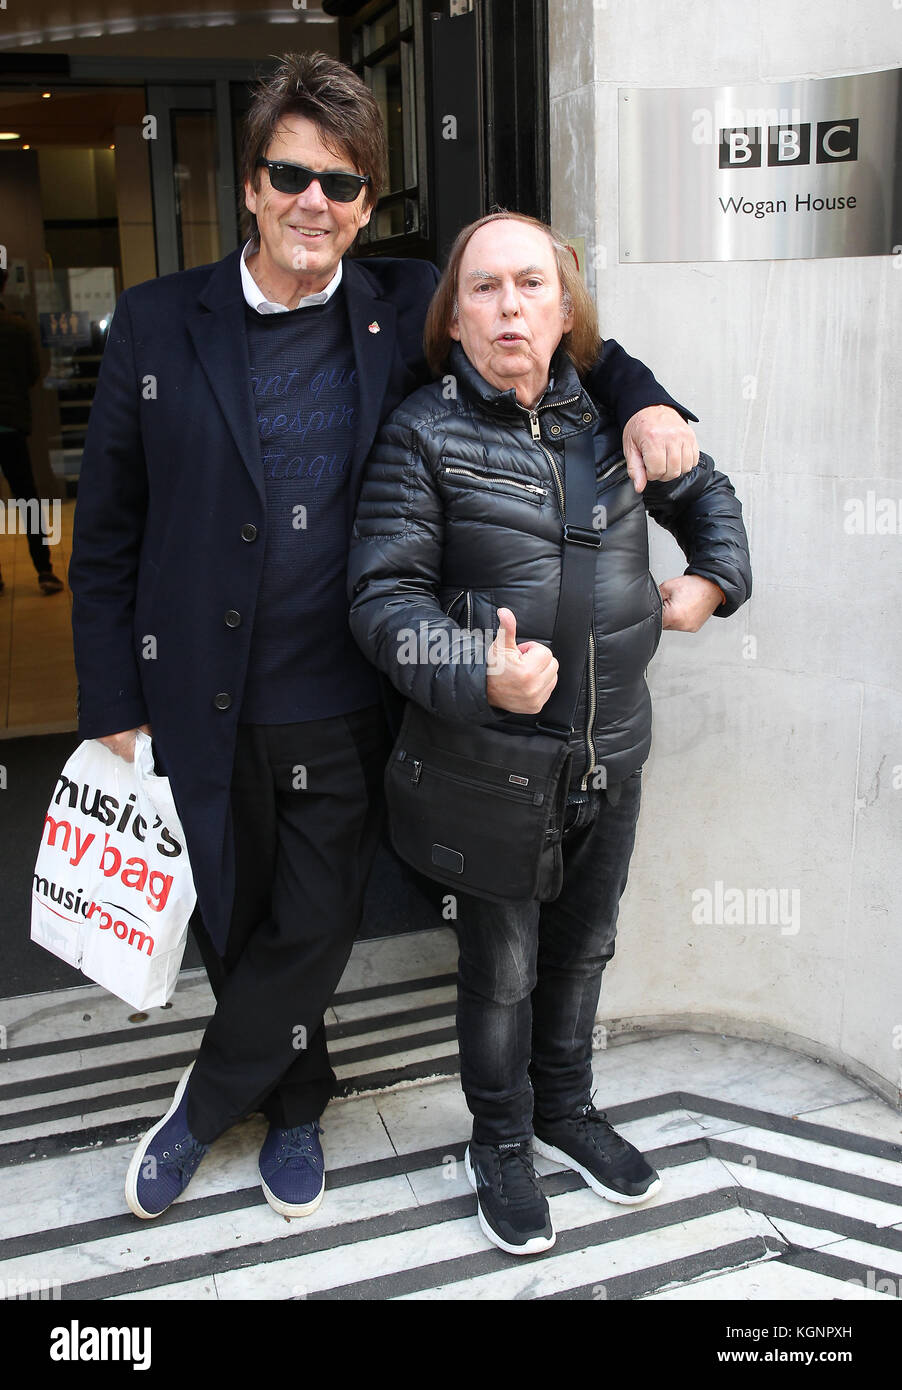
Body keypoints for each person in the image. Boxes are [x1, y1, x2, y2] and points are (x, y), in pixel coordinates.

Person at [69, 53, 703, 1224]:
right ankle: (297, 1094)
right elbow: (105, 530)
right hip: (196, 693)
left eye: (344, 184)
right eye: (290, 174)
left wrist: (648, 399)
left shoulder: (400, 304)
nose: (316, 201)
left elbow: (559, 336)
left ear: (366, 205)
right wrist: (112, 698)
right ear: (252, 187)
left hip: (345, 690)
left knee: (317, 919)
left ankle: (204, 1110)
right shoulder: (160, 324)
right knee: (233, 916)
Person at [347, 211, 752, 1256]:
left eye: (530, 284)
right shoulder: (420, 432)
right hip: (487, 768)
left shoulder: (612, 419)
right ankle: (499, 1140)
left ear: (564, 309)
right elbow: (382, 602)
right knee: (502, 968)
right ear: (455, 315)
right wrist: (474, 666)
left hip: (611, 751)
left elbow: (708, 497)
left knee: (584, 948)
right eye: (483, 288)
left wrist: (709, 583)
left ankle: (567, 1109)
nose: (508, 306)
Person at [0, 268, 64, 596]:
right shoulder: (18, 328)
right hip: (11, 424)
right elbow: (32, 373)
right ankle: (44, 569)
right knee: (27, 498)